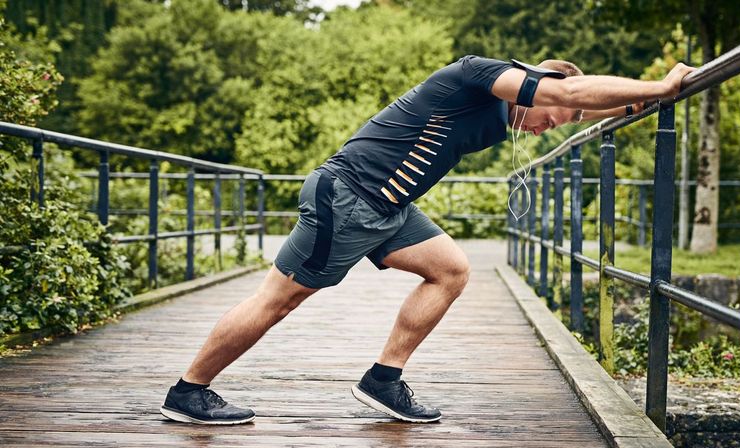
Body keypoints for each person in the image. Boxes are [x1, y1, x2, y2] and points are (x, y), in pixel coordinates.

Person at [159, 55, 695, 425]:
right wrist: (662, 85)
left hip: (388, 207)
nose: (545, 129)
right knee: (277, 302)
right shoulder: (478, 74)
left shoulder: (517, 108)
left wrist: (636, 105)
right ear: (537, 82)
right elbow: (569, 92)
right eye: (550, 118)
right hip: (347, 196)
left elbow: (577, 103)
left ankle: (383, 380)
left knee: (451, 269)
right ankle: (188, 391)